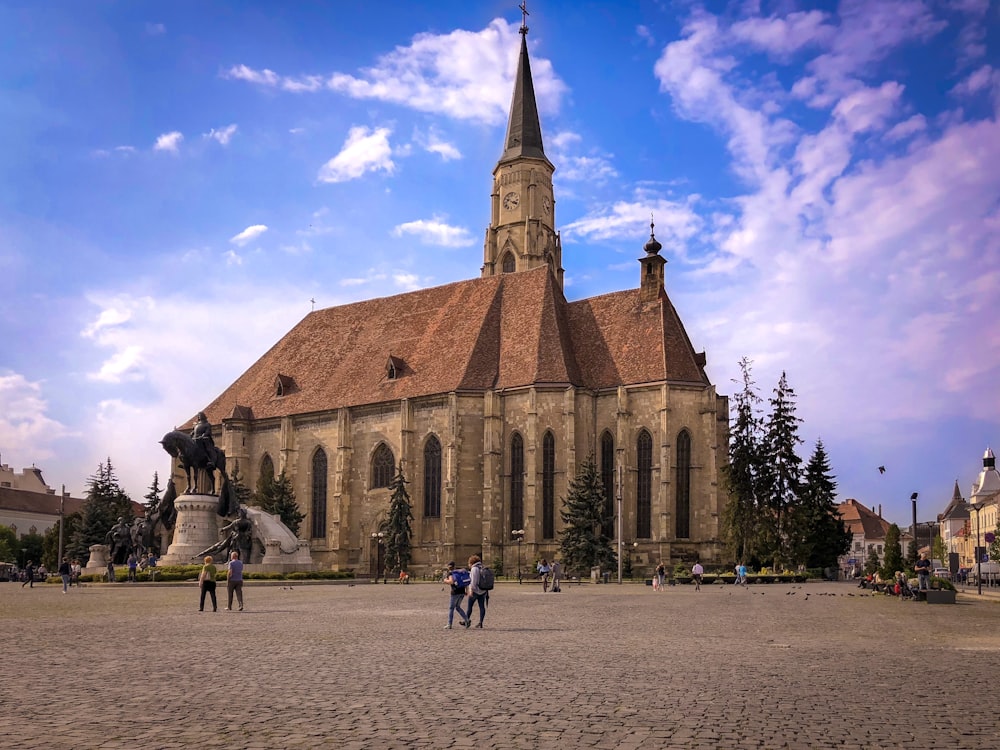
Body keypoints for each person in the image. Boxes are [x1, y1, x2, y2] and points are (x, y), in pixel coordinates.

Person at [443, 561, 470, 629]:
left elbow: (451, 581)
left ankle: (449, 624)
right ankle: (467, 620)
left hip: (455, 592)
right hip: (462, 592)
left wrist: (445, 580)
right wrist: (466, 591)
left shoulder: (451, 573)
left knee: (451, 608)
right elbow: (465, 582)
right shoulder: (460, 572)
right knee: (457, 607)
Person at [467, 554, 489, 628]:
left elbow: (474, 581)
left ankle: (467, 620)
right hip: (483, 591)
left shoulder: (474, 569)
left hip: (475, 591)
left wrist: (471, 590)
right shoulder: (482, 567)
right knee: (482, 607)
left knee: (470, 607)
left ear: (472, 562)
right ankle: (481, 622)